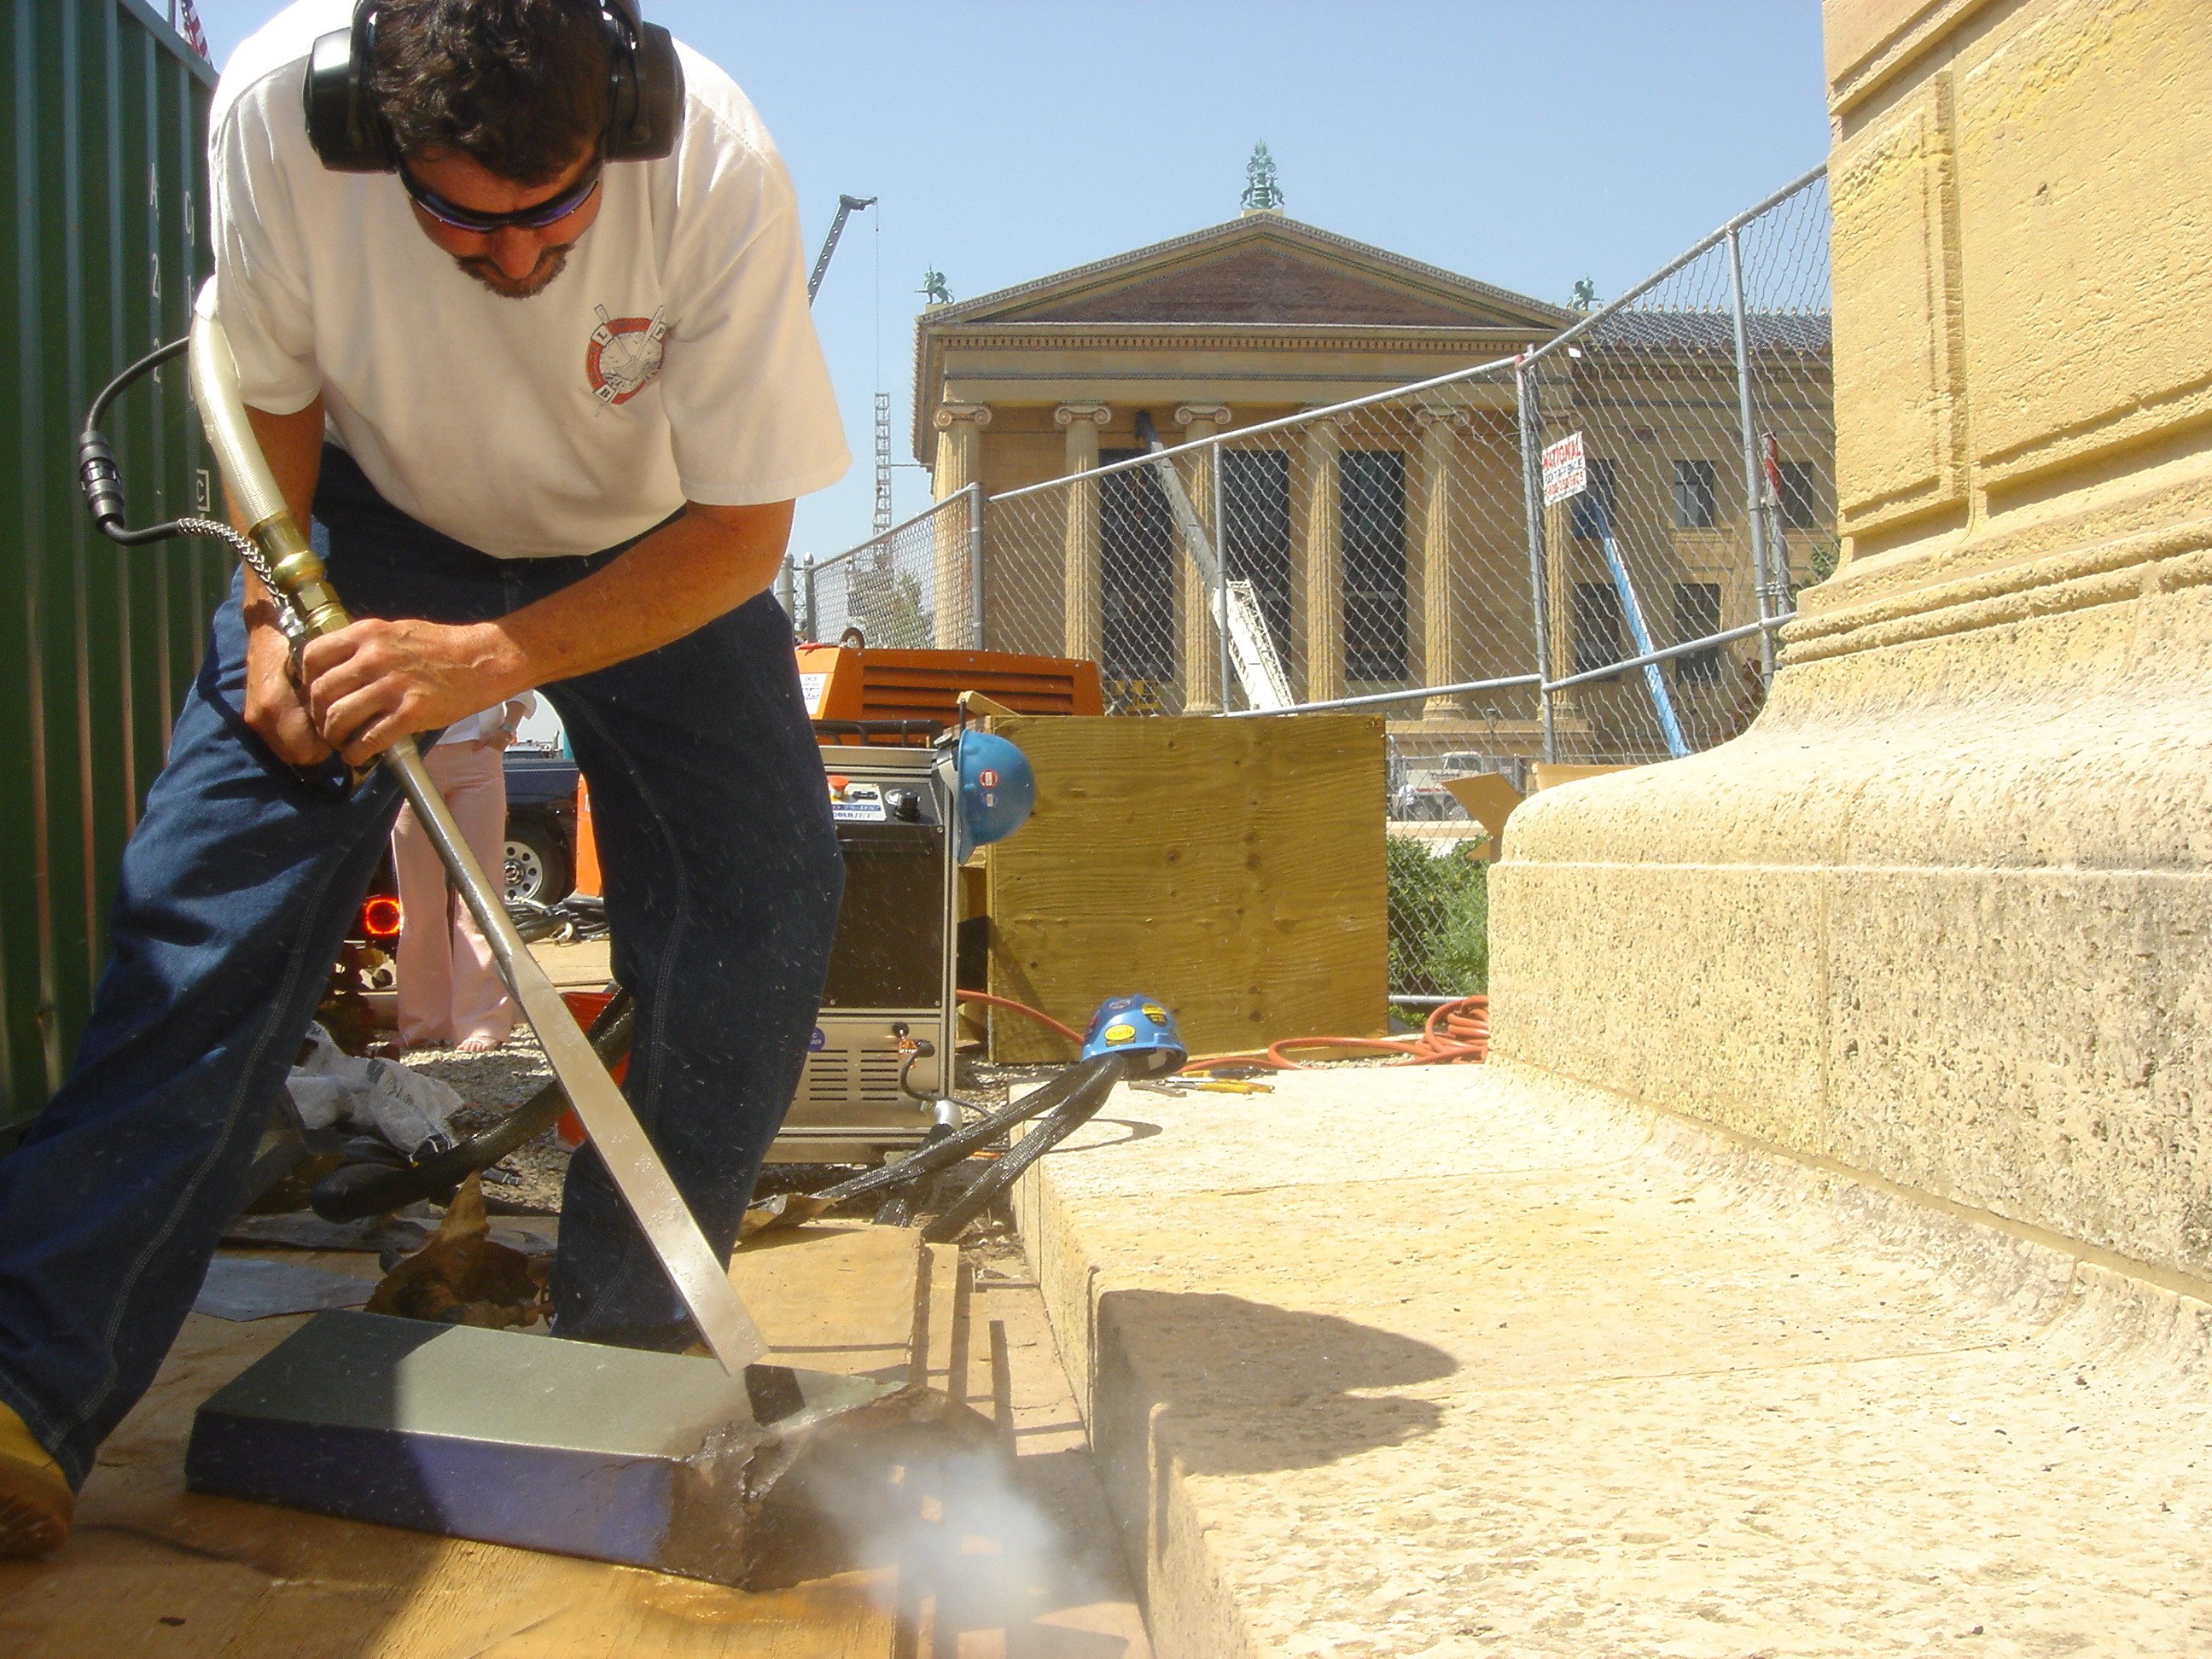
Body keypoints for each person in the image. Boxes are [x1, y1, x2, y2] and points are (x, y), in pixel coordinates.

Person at [0, 0, 847, 1556]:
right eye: (466, 218)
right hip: (373, 525)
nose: (521, 265)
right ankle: (26, 1385)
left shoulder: (713, 155)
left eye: (558, 215)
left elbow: (744, 531)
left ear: (629, 111)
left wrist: (485, 660)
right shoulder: (273, 104)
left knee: (764, 892)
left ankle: (620, 1342)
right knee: (211, 895)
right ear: (365, 129)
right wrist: (275, 604)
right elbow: (260, 377)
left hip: (650, 545)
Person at [389, 692, 535, 1052]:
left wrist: (507, 728)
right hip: (409, 758)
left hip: (476, 756)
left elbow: (518, 676)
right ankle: (424, 1021)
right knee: (418, 903)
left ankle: (483, 1022)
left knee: (481, 897)